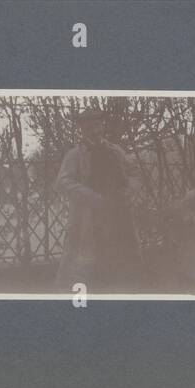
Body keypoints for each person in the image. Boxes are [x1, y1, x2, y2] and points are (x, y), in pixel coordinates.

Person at [55, 109, 141, 291]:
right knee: (85, 264)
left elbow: (134, 173)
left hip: (118, 214)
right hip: (89, 217)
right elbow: (63, 182)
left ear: (102, 126)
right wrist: (89, 195)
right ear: (82, 130)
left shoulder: (116, 151)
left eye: (96, 126)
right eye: (88, 128)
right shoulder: (75, 155)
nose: (94, 131)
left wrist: (129, 190)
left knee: (119, 259)